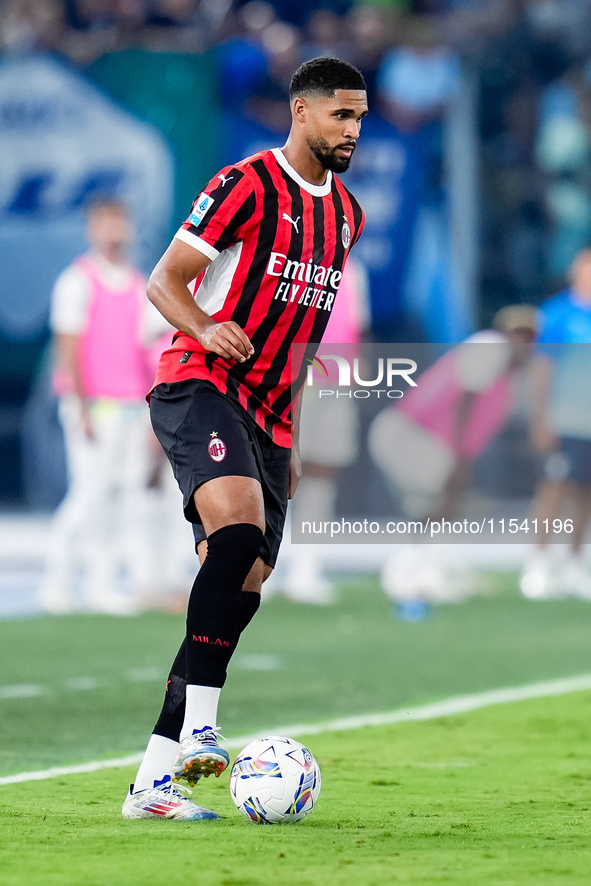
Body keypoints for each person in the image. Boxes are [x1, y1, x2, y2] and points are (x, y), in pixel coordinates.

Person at [122, 56, 367, 821]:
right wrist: (204, 325)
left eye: (359, 118)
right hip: (197, 379)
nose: (352, 131)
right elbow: (163, 281)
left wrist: (289, 441)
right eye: (340, 116)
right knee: (236, 533)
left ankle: (151, 786)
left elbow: (306, 332)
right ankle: (202, 727)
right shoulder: (244, 185)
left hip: (269, 413)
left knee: (242, 588)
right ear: (301, 111)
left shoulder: (347, 214)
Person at [40, 197, 168, 616]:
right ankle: (55, 580)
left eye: (120, 223)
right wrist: (80, 407)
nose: (114, 231)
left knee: (123, 497)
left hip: (131, 406)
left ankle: (102, 582)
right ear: (91, 230)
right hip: (93, 406)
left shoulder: (137, 284)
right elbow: (69, 349)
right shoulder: (77, 282)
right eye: (105, 223)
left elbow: (150, 351)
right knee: (89, 494)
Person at [520, 249, 591, 600]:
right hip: (564, 419)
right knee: (554, 488)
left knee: (585, 496)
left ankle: (575, 563)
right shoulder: (557, 314)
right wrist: (541, 418)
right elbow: (541, 369)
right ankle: (539, 563)